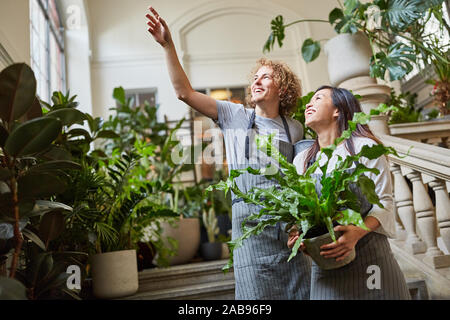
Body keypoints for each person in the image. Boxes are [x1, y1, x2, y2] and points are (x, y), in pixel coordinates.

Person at [146, 6, 311, 299]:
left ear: (283, 89)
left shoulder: (294, 129)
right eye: (255, 77)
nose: (256, 81)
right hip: (248, 234)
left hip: (285, 232)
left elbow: (302, 180)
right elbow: (184, 92)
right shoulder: (234, 114)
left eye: (266, 77)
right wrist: (168, 45)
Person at [288, 85, 411, 300]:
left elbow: (385, 203)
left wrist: (357, 232)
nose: (309, 104)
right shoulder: (302, 160)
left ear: (338, 110)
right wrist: (299, 236)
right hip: (326, 271)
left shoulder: (364, 147)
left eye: (318, 98)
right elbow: (301, 213)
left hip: (371, 263)